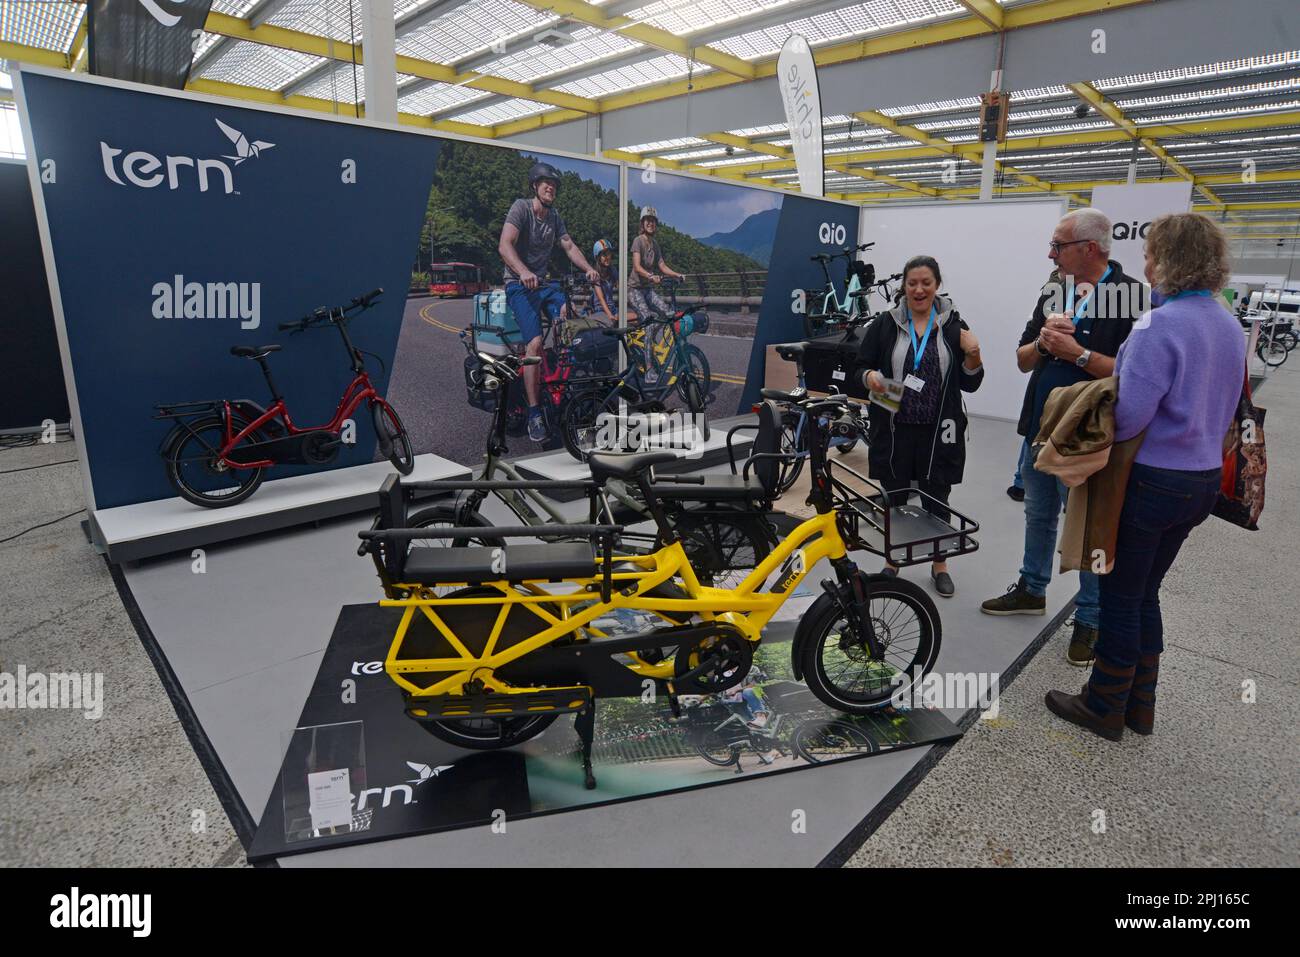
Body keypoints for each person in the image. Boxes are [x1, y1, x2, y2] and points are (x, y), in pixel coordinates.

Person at [1045, 213, 1246, 741]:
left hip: (1152, 479)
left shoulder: (1160, 326)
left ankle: (1104, 704)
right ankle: (1141, 704)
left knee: (1118, 595)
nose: (1147, 264)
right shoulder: (1227, 321)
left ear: (1170, 260)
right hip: (1201, 482)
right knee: (1146, 591)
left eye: (1152, 255)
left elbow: (1130, 414)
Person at [980, 209, 1144, 666]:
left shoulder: (1131, 297)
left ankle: (1091, 618)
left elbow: (1135, 374)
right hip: (1039, 425)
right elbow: (1021, 358)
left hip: (1087, 434)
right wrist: (1044, 343)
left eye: (1059, 245)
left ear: (1089, 248)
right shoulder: (1054, 289)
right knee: (1038, 513)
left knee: (1088, 524)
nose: (1050, 253)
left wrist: (1079, 353)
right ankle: (1032, 589)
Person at [857, 255, 983, 597]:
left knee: (937, 497)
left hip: (938, 427)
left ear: (937, 285)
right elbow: (861, 365)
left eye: (926, 282)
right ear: (904, 287)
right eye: (912, 283)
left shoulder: (954, 325)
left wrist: (974, 357)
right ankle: (893, 559)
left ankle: (939, 563)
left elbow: (971, 383)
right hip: (894, 423)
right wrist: (869, 376)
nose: (919, 289)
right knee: (894, 497)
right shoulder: (886, 323)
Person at [498, 161, 600, 442]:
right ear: (535, 185)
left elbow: (568, 246)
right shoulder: (521, 208)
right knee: (534, 344)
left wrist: (588, 268)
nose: (550, 187)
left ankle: (555, 378)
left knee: (567, 315)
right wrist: (523, 272)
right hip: (519, 284)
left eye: (554, 185)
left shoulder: (554, 217)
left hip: (543, 284)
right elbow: (504, 245)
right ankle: (534, 413)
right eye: (545, 183)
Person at [629, 206, 686, 321]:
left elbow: (662, 266)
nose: (651, 223)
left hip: (647, 289)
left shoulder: (655, 245)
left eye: (653, 221)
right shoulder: (638, 241)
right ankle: (648, 339)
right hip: (635, 290)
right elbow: (637, 267)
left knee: (668, 312)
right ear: (642, 223)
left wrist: (677, 275)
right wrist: (650, 276)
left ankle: (652, 338)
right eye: (648, 220)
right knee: (649, 318)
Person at [589, 238, 618, 323]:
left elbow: (622, 286)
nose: (608, 257)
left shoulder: (613, 270)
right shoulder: (596, 274)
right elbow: (601, 298)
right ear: (598, 257)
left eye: (609, 254)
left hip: (612, 308)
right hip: (600, 310)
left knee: (636, 318)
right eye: (604, 255)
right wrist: (610, 315)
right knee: (612, 324)